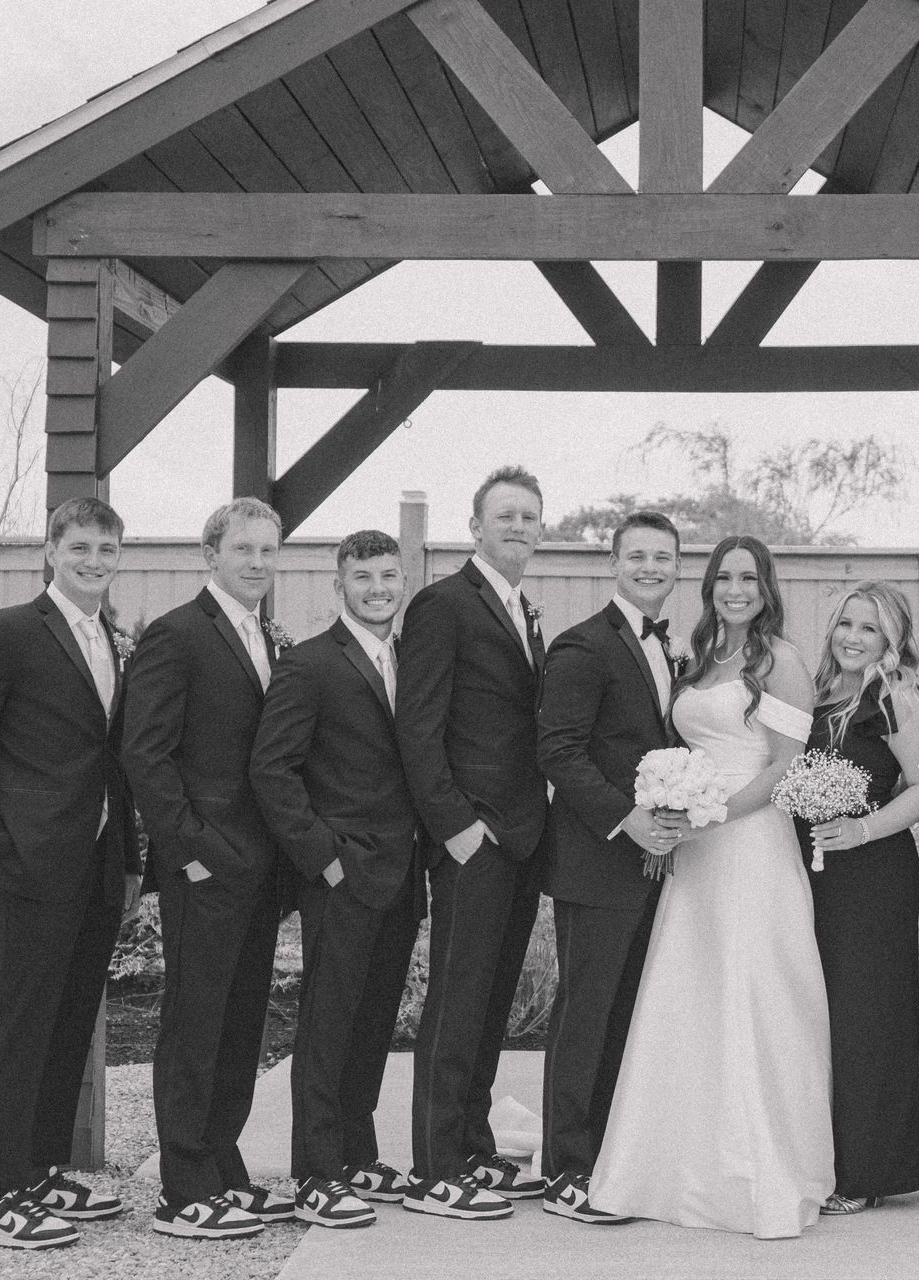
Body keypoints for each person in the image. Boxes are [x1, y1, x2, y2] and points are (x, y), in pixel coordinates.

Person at [590, 536, 833, 1239]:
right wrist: (676, 806)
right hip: (692, 854)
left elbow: (785, 768)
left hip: (751, 844)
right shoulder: (696, 659)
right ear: (710, 587)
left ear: (766, 587)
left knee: (751, 993)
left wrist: (714, 814)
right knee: (686, 994)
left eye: (748, 578)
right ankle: (663, 1168)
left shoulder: (780, 660)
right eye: (724, 577)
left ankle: (757, 1173)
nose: (735, 589)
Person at [0, 496, 138, 1250]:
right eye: (79, 547)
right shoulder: (9, 632)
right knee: (21, 1025)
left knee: (69, 1019)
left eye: (106, 550)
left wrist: (130, 858)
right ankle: (2, 1194)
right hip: (31, 861)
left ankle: (44, 1170)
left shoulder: (114, 637)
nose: (93, 561)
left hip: (98, 861)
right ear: (52, 550)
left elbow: (112, 756)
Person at [122, 497, 295, 1240]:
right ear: (211, 555)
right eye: (243, 549)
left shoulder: (268, 637)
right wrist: (187, 853)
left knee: (240, 1024)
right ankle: (183, 1189)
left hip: (261, 869)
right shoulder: (177, 634)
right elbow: (145, 755)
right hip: (204, 868)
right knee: (195, 1024)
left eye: (268, 550)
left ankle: (223, 1167)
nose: (257, 562)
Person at [250, 530, 428, 1232]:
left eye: (388, 576)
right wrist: (323, 858)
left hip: (403, 872)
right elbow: (273, 769)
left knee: (373, 1020)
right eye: (363, 577)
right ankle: (316, 1175)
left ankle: (356, 1155)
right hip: (341, 872)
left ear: (403, 581)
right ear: (339, 586)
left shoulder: (411, 659)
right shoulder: (311, 663)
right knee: (328, 1026)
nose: (378, 589)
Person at [396, 466, 551, 1219]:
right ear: (476, 526)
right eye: (505, 515)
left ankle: (472, 1144)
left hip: (521, 841)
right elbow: (417, 727)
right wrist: (455, 828)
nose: (518, 526)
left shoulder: (524, 611)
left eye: (529, 516)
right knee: (457, 1002)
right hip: (472, 839)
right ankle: (436, 1167)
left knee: (490, 1005)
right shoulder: (443, 605)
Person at [536, 511, 687, 1224]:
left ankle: (606, 1157)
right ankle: (565, 1170)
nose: (650, 567)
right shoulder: (583, 645)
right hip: (597, 861)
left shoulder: (672, 649)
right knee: (585, 1014)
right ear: (614, 564)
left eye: (663, 557)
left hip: (655, 864)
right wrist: (629, 820)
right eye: (638, 556)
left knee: (626, 1014)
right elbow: (558, 751)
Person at [798, 581, 919, 1215]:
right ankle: (819, 1155)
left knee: (866, 1018)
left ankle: (867, 1170)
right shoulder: (816, 693)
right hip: (812, 871)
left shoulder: (896, 699)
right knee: (820, 1013)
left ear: (892, 640)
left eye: (870, 628)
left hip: (873, 874)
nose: (853, 637)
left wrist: (863, 828)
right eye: (846, 623)